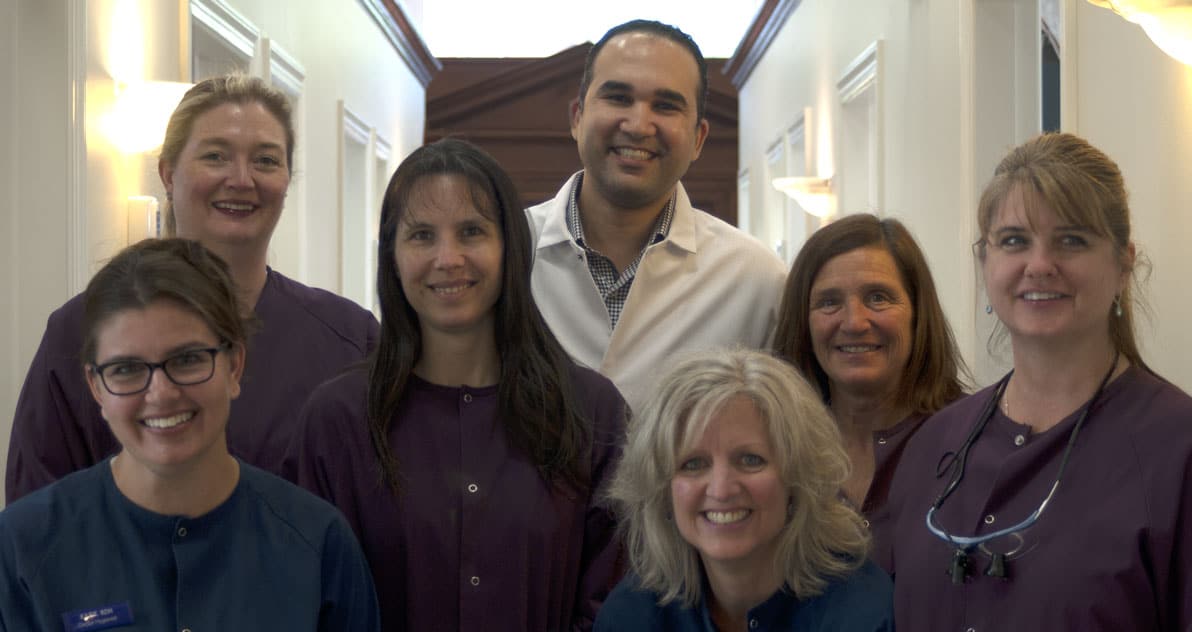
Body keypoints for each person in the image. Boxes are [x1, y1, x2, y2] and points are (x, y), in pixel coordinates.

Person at [283, 138, 627, 631]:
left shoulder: (594, 413)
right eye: (422, 235)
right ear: (393, 256)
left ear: (510, 247)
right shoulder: (336, 421)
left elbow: (613, 602)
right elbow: (312, 595)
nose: (448, 258)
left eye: (471, 232)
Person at [7, 74, 378, 499]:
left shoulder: (349, 341)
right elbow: (37, 520)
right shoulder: (80, 332)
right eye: (216, 156)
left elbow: (377, 513)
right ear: (168, 172)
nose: (242, 179)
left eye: (266, 160)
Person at [888, 132, 1192, 631]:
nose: (1039, 265)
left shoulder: (1182, 451)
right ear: (984, 262)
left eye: (1071, 240)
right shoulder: (932, 448)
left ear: (1123, 265)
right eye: (1014, 241)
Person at [0, 238, 379, 631]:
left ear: (234, 366)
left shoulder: (319, 545)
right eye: (126, 369)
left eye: (187, 360)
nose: (161, 394)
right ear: (95, 387)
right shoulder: (23, 548)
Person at [526, 19, 786, 412]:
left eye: (665, 106)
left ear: (698, 138)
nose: (637, 125)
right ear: (577, 117)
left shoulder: (756, 279)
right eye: (618, 97)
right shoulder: (510, 250)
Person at [596, 348, 894, 631]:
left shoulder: (864, 614)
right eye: (693, 464)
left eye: (751, 460)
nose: (722, 490)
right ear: (662, 489)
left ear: (798, 480)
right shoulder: (631, 615)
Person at [772, 213, 966, 568]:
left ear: (917, 313)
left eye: (878, 297)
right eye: (829, 302)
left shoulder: (973, 441)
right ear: (803, 321)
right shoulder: (775, 451)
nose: (854, 323)